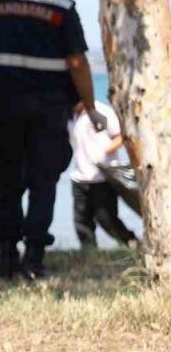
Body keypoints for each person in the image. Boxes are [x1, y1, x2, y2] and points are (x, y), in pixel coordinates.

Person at [0, 0, 107, 280]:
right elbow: (77, 62)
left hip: (4, 108)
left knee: (8, 184)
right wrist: (91, 109)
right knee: (43, 184)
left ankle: (6, 258)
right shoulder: (62, 7)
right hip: (48, 111)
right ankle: (33, 260)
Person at [67, 100, 138, 250]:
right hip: (80, 175)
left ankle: (131, 242)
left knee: (106, 218)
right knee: (81, 220)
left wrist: (104, 151)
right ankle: (89, 252)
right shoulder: (69, 114)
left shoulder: (101, 111)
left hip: (103, 175)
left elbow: (122, 136)